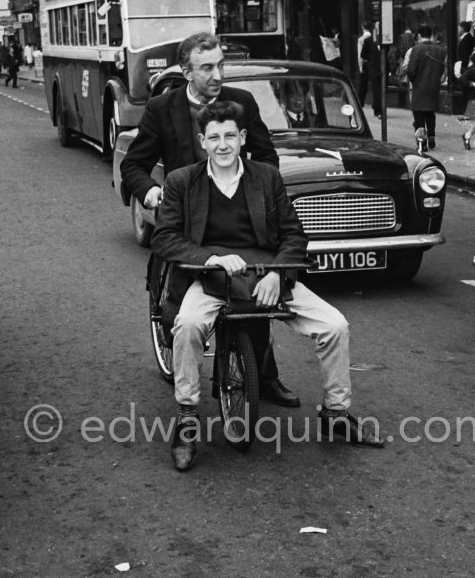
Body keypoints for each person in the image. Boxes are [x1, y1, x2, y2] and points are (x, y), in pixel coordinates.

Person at [150, 100, 385, 470]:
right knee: (188, 325)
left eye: (230, 135)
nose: (223, 145)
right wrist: (210, 259)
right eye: (214, 137)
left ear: (243, 138)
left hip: (266, 272)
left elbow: (293, 233)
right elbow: (164, 238)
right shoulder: (182, 181)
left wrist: (278, 273)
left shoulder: (266, 178)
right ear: (202, 141)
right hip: (211, 277)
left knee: (334, 325)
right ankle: (187, 416)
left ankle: (336, 413)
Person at [120, 32, 298, 408]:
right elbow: (133, 165)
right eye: (207, 68)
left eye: (221, 65)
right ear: (187, 71)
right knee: (181, 313)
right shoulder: (162, 108)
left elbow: (267, 158)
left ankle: (263, 373)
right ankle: (186, 388)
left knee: (254, 293)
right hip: (187, 222)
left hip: (237, 218)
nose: (218, 74)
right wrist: (152, 193)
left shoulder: (242, 102)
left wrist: (258, 195)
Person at [406, 25, 446, 150]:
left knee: (419, 115)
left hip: (419, 86)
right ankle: (432, 135)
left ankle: (422, 143)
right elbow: (441, 69)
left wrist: (414, 80)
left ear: (419, 36)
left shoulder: (416, 49)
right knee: (430, 113)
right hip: (433, 86)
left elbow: (411, 70)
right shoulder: (440, 50)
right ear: (432, 35)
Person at [360, 23, 381, 118]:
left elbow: (363, 55)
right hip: (374, 69)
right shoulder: (368, 40)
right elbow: (363, 54)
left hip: (379, 68)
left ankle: (378, 108)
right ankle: (378, 109)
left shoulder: (386, 40)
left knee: (379, 89)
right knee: (377, 90)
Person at [357, 22, 372, 108]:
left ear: (363, 28)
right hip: (374, 63)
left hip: (365, 63)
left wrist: (360, 66)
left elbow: (360, 54)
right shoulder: (374, 38)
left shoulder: (361, 39)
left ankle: (361, 102)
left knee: (363, 84)